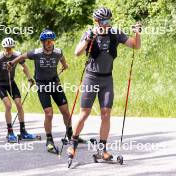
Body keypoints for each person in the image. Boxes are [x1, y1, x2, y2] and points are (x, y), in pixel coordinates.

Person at [67, 7, 141, 160]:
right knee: (84, 114)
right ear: (97, 21)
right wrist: (88, 39)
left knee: (106, 115)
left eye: (109, 20)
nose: (107, 24)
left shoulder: (116, 33)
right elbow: (77, 52)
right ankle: (73, 144)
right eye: (104, 21)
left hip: (107, 79)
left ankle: (103, 149)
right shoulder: (90, 33)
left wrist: (137, 33)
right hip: (91, 78)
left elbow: (135, 45)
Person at [8, 29, 84, 153]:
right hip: (42, 85)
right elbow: (22, 56)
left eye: (51, 41)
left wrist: (64, 65)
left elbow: (63, 59)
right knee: (49, 113)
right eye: (47, 42)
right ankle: (49, 140)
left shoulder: (58, 52)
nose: (49, 44)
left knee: (65, 111)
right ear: (42, 42)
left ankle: (70, 135)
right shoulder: (36, 53)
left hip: (55, 83)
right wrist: (12, 62)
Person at [0, 37, 37, 143]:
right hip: (0, 84)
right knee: (8, 105)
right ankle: (10, 132)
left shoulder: (17, 55)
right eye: (6, 48)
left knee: (19, 104)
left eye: (10, 48)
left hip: (11, 83)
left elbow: (24, 67)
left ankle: (23, 132)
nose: (8, 50)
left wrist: (30, 78)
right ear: (3, 48)